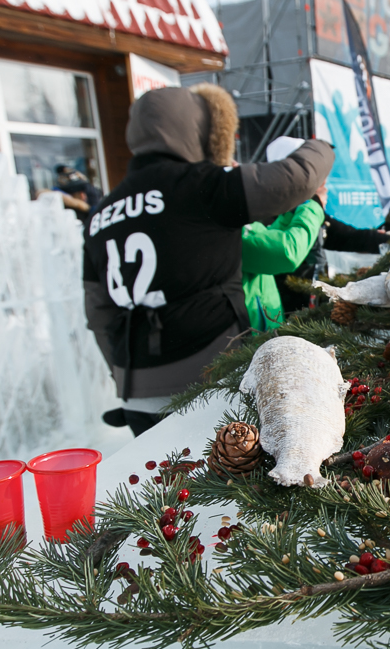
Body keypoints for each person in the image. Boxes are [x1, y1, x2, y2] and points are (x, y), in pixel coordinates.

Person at [82, 86, 334, 436]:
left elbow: (98, 314)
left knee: (162, 488)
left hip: (136, 392)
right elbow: (298, 177)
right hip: (210, 378)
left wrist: (123, 375)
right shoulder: (203, 187)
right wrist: (322, 146)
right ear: (200, 130)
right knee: (231, 486)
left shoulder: (101, 214)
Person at [240, 138, 331, 332]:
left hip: (265, 326)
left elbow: (269, 236)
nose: (235, 167)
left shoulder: (240, 220)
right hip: (247, 337)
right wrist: (313, 205)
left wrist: (292, 211)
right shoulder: (229, 227)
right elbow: (285, 251)